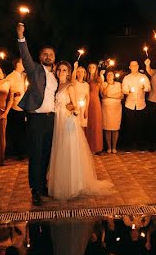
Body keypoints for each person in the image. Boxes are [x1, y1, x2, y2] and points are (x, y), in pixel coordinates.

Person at [47, 61, 115, 200]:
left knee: (69, 150)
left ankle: (74, 184)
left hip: (67, 121)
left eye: (64, 70)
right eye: (59, 70)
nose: (61, 72)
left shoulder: (70, 86)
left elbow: (76, 106)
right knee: (60, 150)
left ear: (68, 72)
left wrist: (69, 108)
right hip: (58, 121)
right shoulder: (56, 86)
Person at [16, 22, 58, 206]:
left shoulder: (57, 75)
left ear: (54, 58)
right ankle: (35, 190)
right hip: (36, 118)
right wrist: (21, 37)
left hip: (51, 118)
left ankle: (43, 185)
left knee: (47, 154)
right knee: (36, 154)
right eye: (45, 54)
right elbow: (25, 56)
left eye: (51, 54)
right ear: (41, 57)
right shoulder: (35, 70)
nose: (48, 56)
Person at [121, 60, 150, 151]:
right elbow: (124, 89)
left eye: (136, 65)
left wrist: (144, 87)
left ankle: (140, 145)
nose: (134, 67)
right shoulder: (127, 78)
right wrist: (128, 90)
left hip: (141, 104)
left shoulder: (143, 77)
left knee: (140, 125)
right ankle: (130, 145)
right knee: (130, 125)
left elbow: (148, 87)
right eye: (132, 65)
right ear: (130, 67)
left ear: (138, 66)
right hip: (130, 104)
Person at [6, 58, 28, 160]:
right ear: (17, 64)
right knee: (17, 131)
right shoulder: (10, 77)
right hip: (16, 106)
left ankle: (25, 150)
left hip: (26, 106)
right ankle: (19, 152)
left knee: (25, 130)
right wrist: (14, 94)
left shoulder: (25, 75)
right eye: (22, 62)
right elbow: (6, 92)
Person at [101, 69, 123, 153]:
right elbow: (103, 94)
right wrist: (108, 86)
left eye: (111, 74)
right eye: (108, 75)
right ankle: (109, 147)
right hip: (106, 109)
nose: (109, 76)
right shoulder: (104, 84)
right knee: (107, 128)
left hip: (116, 109)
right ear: (106, 76)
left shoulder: (118, 84)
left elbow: (121, 95)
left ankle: (114, 147)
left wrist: (109, 95)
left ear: (114, 76)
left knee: (115, 128)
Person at [85, 63, 104, 154]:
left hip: (95, 102)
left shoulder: (99, 79)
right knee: (87, 124)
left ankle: (96, 147)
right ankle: (87, 146)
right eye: (90, 67)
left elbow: (102, 92)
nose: (91, 68)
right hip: (85, 103)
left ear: (96, 69)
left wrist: (102, 78)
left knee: (95, 124)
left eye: (93, 67)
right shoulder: (85, 79)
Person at [72, 64, 90, 132]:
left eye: (82, 71)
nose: (80, 73)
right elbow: (72, 79)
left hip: (83, 106)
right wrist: (75, 68)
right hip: (75, 105)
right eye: (78, 71)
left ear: (84, 73)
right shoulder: (74, 82)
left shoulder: (86, 84)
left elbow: (88, 97)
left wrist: (86, 110)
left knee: (82, 126)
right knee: (75, 126)